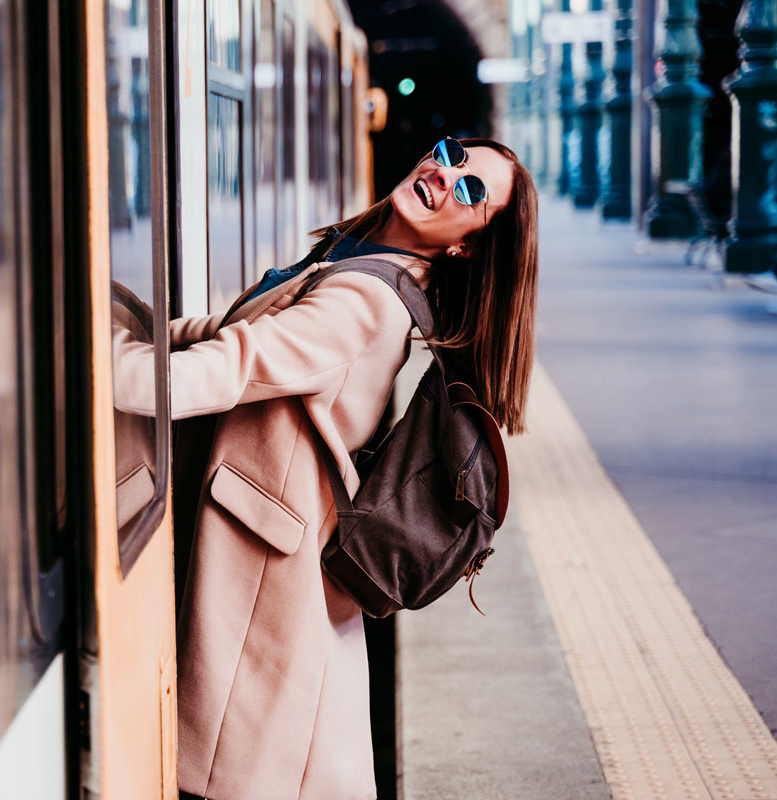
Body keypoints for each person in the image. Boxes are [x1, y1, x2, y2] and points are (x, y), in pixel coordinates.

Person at [112, 137, 539, 800]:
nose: (446, 174)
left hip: (260, 577)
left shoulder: (367, 303)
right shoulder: (365, 261)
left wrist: (101, 366)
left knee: (227, 770)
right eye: (452, 154)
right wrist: (139, 331)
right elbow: (232, 330)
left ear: (467, 246)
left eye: (473, 190)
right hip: (270, 553)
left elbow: (232, 368)